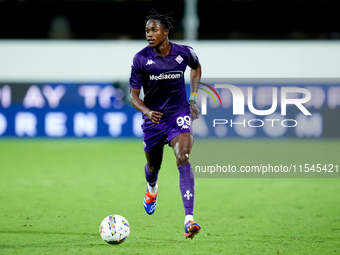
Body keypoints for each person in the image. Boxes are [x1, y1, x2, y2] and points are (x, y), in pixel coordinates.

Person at [129, 9, 202, 239]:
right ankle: (152, 188)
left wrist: (192, 99)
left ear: (166, 32)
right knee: (153, 167)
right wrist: (147, 111)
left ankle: (189, 219)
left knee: (183, 156)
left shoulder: (183, 53)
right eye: (147, 31)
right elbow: (132, 96)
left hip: (177, 114)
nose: (149, 34)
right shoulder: (141, 59)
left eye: (154, 30)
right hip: (153, 120)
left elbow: (196, 67)